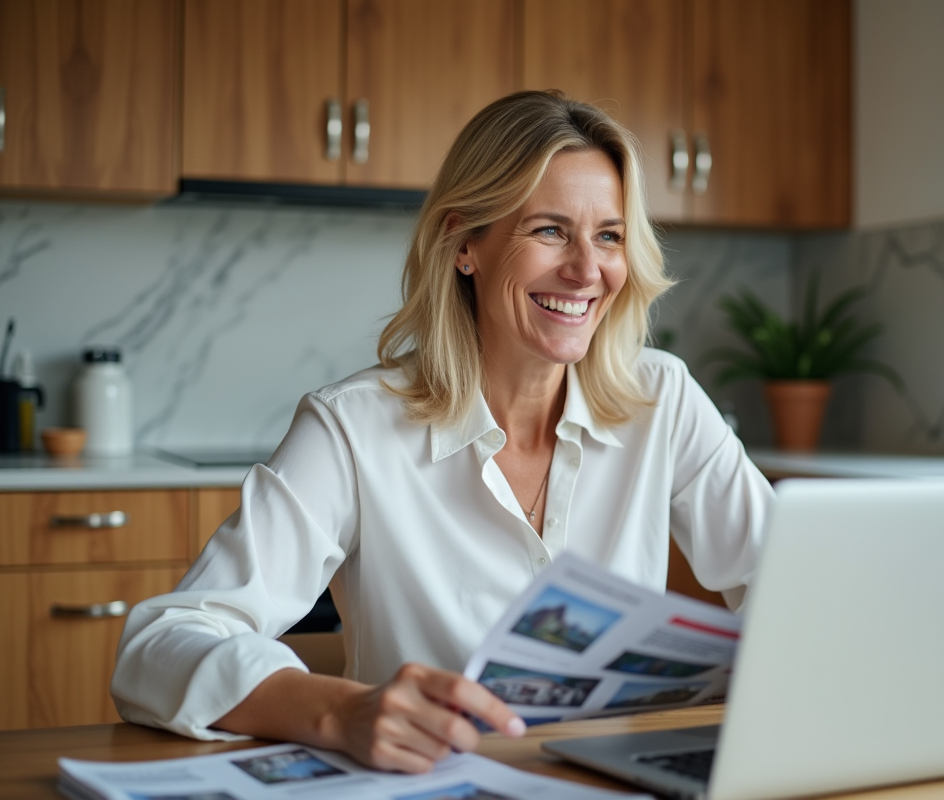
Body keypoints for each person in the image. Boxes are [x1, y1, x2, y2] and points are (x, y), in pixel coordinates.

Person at [112, 90, 773, 773]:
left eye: (608, 235)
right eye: (549, 230)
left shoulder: (662, 399)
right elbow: (159, 645)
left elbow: (792, 587)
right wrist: (337, 711)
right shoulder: (353, 428)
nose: (586, 269)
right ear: (465, 245)